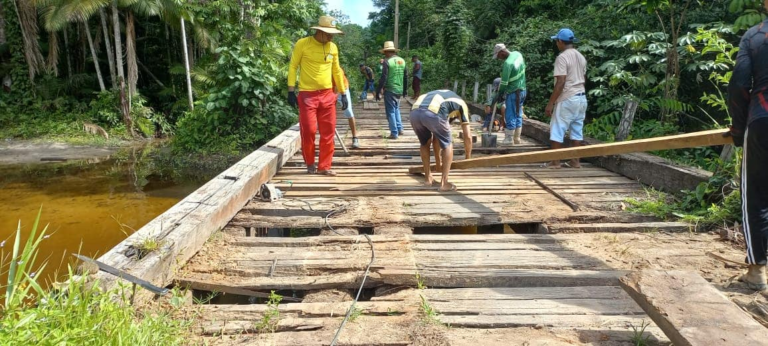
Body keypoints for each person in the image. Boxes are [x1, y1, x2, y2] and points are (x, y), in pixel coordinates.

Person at [729, 0, 768, 292]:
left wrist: (738, 127)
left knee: (755, 196)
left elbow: (740, 84)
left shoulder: (755, 36)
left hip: (762, 119)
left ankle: (756, 272)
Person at [287, 16, 347, 176]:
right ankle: (309, 163)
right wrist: (291, 90)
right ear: (319, 31)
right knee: (309, 130)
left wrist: (343, 93)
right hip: (308, 96)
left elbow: (336, 70)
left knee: (328, 132)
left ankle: (324, 166)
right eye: (328, 33)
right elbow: (293, 66)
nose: (330, 37)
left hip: (328, 95)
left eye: (332, 34)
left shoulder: (333, 47)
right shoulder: (303, 44)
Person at [410, 90, 473, 192]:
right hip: (433, 113)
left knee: (424, 143)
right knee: (448, 144)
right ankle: (444, 183)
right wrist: (468, 158)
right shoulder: (462, 105)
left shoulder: (442, 97)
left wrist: (439, 163)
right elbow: (468, 136)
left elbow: (436, 138)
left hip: (414, 112)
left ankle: (428, 179)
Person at [544, 28, 588, 169]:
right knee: (577, 130)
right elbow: (583, 78)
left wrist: (550, 103)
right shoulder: (581, 57)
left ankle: (555, 161)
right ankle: (575, 161)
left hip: (567, 98)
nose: (556, 43)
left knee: (557, 129)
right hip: (581, 97)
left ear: (561, 41)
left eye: (557, 41)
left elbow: (561, 82)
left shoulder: (562, 57)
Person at [492, 43, 526, 145]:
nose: (498, 58)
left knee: (510, 114)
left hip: (513, 92)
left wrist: (500, 93)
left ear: (502, 52)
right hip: (523, 90)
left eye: (498, 56)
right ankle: (517, 138)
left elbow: (504, 83)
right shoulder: (517, 54)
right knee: (518, 113)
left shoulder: (508, 63)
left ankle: (509, 139)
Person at [376, 41, 409, 139]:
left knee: (390, 111)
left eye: (385, 52)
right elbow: (406, 76)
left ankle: (394, 133)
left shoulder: (387, 62)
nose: (384, 54)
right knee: (396, 109)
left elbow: (384, 77)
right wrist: (405, 90)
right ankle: (400, 129)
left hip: (390, 89)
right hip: (399, 89)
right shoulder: (402, 61)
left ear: (387, 52)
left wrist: (378, 91)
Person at [335, 70, 361, 148]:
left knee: (349, 111)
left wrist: (343, 95)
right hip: (329, 90)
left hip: (342, 88)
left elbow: (340, 81)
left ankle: (355, 137)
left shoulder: (337, 68)